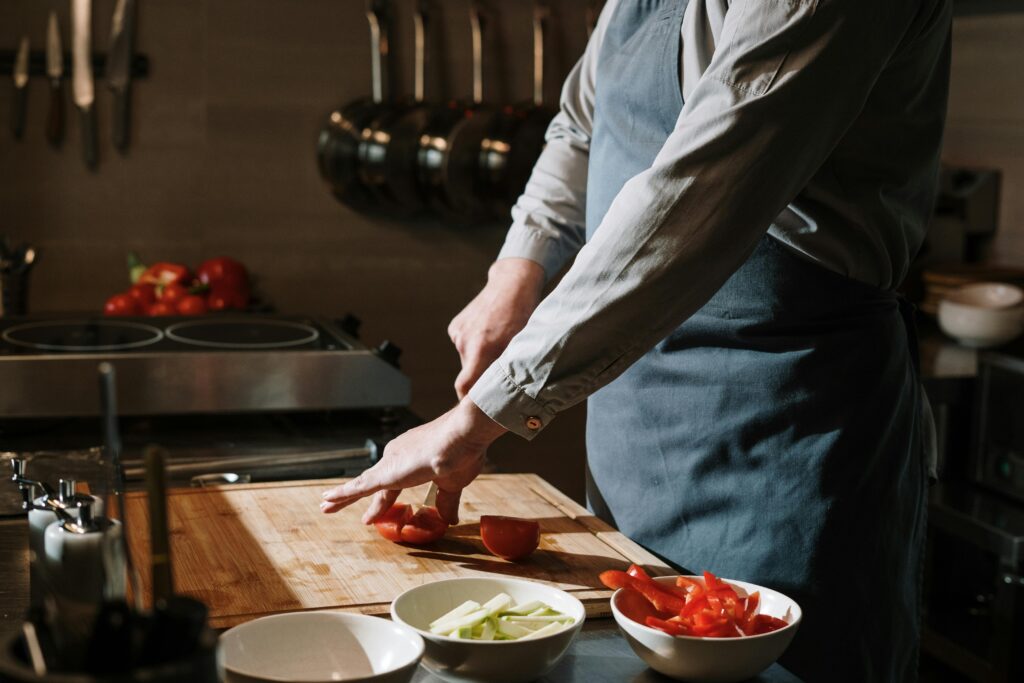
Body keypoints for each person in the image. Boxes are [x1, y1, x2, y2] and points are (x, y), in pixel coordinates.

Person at [322, 0, 952, 680]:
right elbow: (583, 124)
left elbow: (700, 191)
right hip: (635, 432)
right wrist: (516, 272)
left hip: (786, 439)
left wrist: (481, 415)